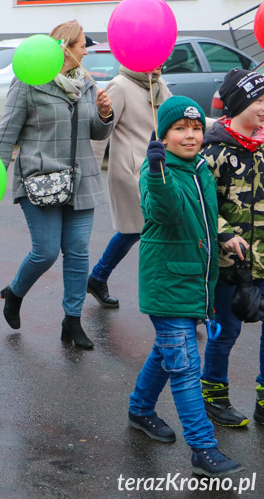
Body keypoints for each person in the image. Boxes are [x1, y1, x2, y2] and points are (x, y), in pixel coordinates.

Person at [128, 96, 243, 477]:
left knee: (167, 353)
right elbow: (166, 213)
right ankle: (203, 448)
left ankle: (140, 408)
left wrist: (223, 237)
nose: (190, 136)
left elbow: (206, 221)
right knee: (185, 365)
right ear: (164, 133)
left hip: (195, 281)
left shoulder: (199, 168)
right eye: (180, 129)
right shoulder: (156, 170)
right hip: (169, 284)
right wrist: (158, 171)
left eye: (195, 128)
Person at [0, 20, 114, 349]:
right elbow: (6, 132)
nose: (87, 51)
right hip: (40, 178)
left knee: (77, 253)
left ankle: (71, 322)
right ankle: (14, 294)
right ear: (64, 47)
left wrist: (104, 115)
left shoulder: (85, 84)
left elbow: (96, 132)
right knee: (45, 252)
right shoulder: (29, 82)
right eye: (82, 45)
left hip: (82, 180)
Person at [199, 69, 264, 428]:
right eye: (258, 101)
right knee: (225, 333)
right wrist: (224, 234)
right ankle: (214, 395)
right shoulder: (214, 151)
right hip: (230, 264)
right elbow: (204, 205)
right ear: (239, 105)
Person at [88, 66, 171, 308]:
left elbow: (177, 116)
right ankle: (170, 300)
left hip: (158, 167)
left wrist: (222, 123)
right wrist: (92, 172)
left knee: (132, 231)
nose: (158, 63)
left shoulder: (159, 83)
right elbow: (101, 131)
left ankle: (98, 277)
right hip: (130, 170)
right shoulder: (120, 85)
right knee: (160, 232)